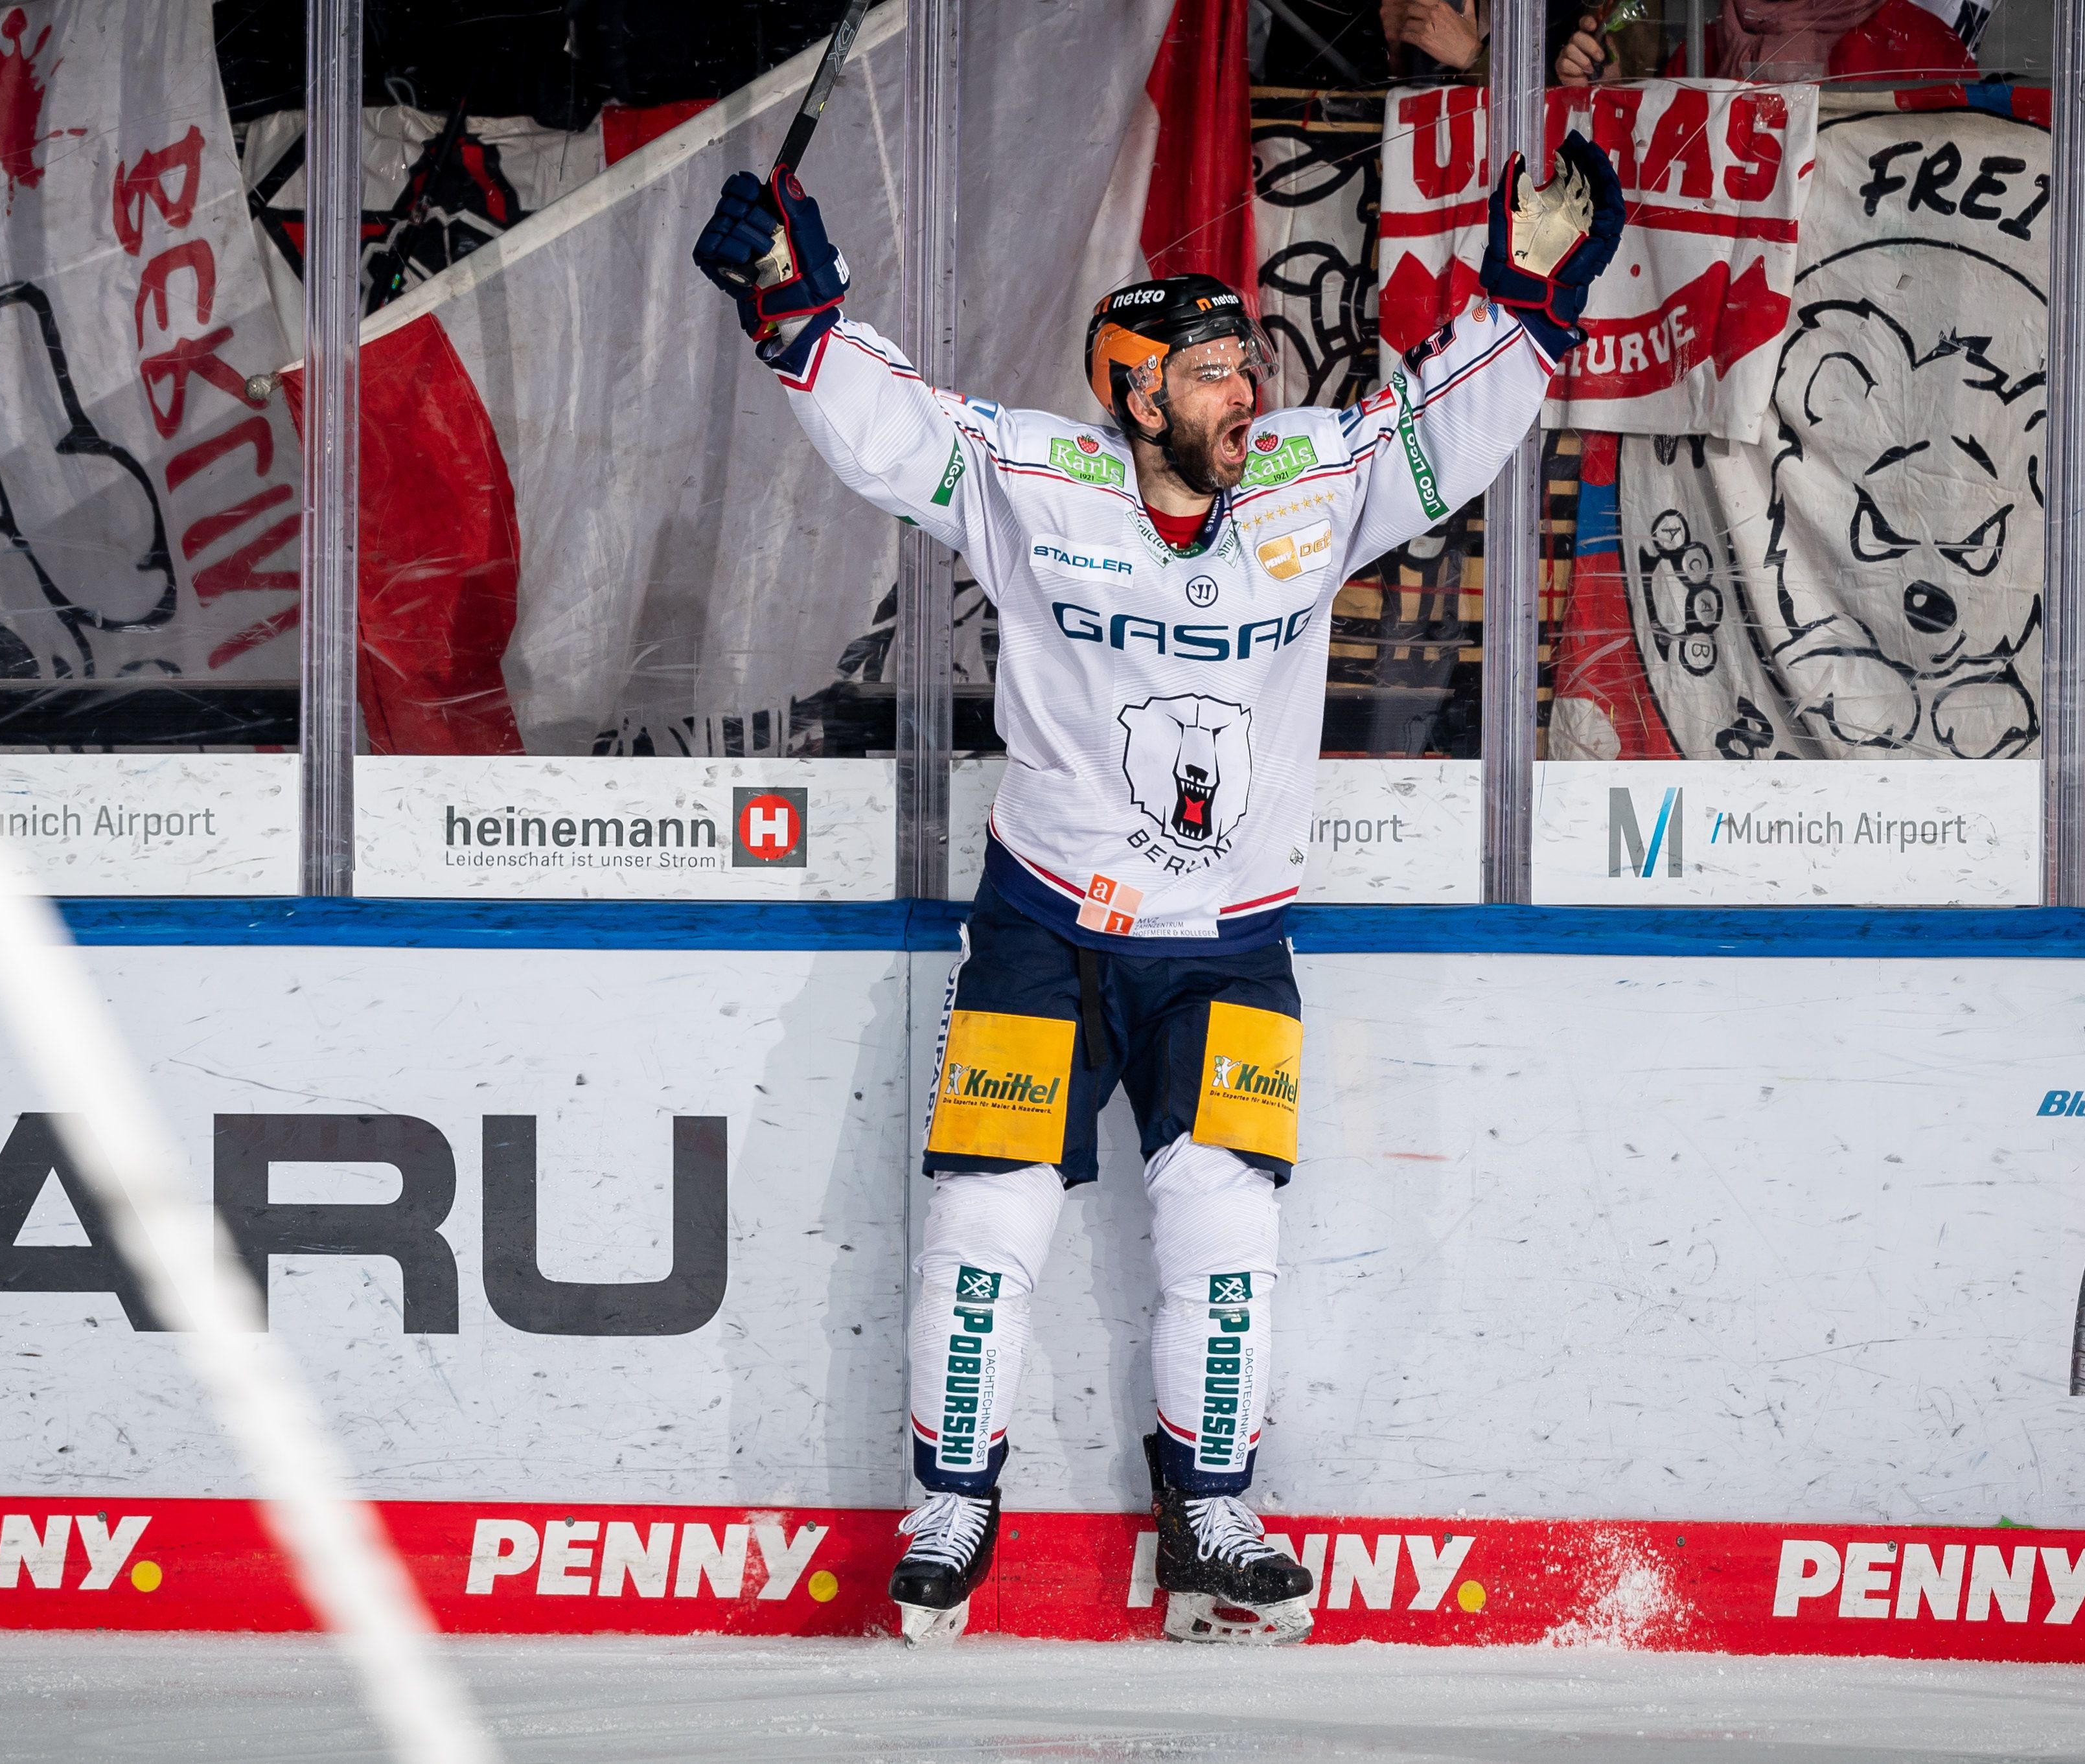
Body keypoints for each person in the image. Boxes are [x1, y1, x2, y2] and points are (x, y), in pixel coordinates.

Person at [692, 130, 1623, 1645]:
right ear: (1129, 394)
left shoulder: (1311, 487)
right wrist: (792, 307)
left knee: (1224, 1232)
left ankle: (1215, 1506)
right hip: (1039, 933)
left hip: (1231, 951)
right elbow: (890, 429)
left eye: (1246, 367)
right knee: (984, 1224)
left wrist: (1522, 293)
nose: (1243, 395)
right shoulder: (1036, 487)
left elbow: (1444, 430)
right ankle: (952, 1504)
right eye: (1206, 376)